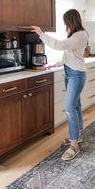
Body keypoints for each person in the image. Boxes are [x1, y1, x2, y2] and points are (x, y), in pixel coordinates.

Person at [31, 9, 88, 161]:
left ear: (71, 21)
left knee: (69, 107)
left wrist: (41, 33)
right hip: (70, 72)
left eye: (66, 23)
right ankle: (78, 136)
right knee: (75, 106)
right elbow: (68, 56)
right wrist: (54, 65)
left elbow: (58, 45)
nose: (65, 26)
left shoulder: (80, 35)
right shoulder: (74, 35)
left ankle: (74, 144)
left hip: (77, 74)